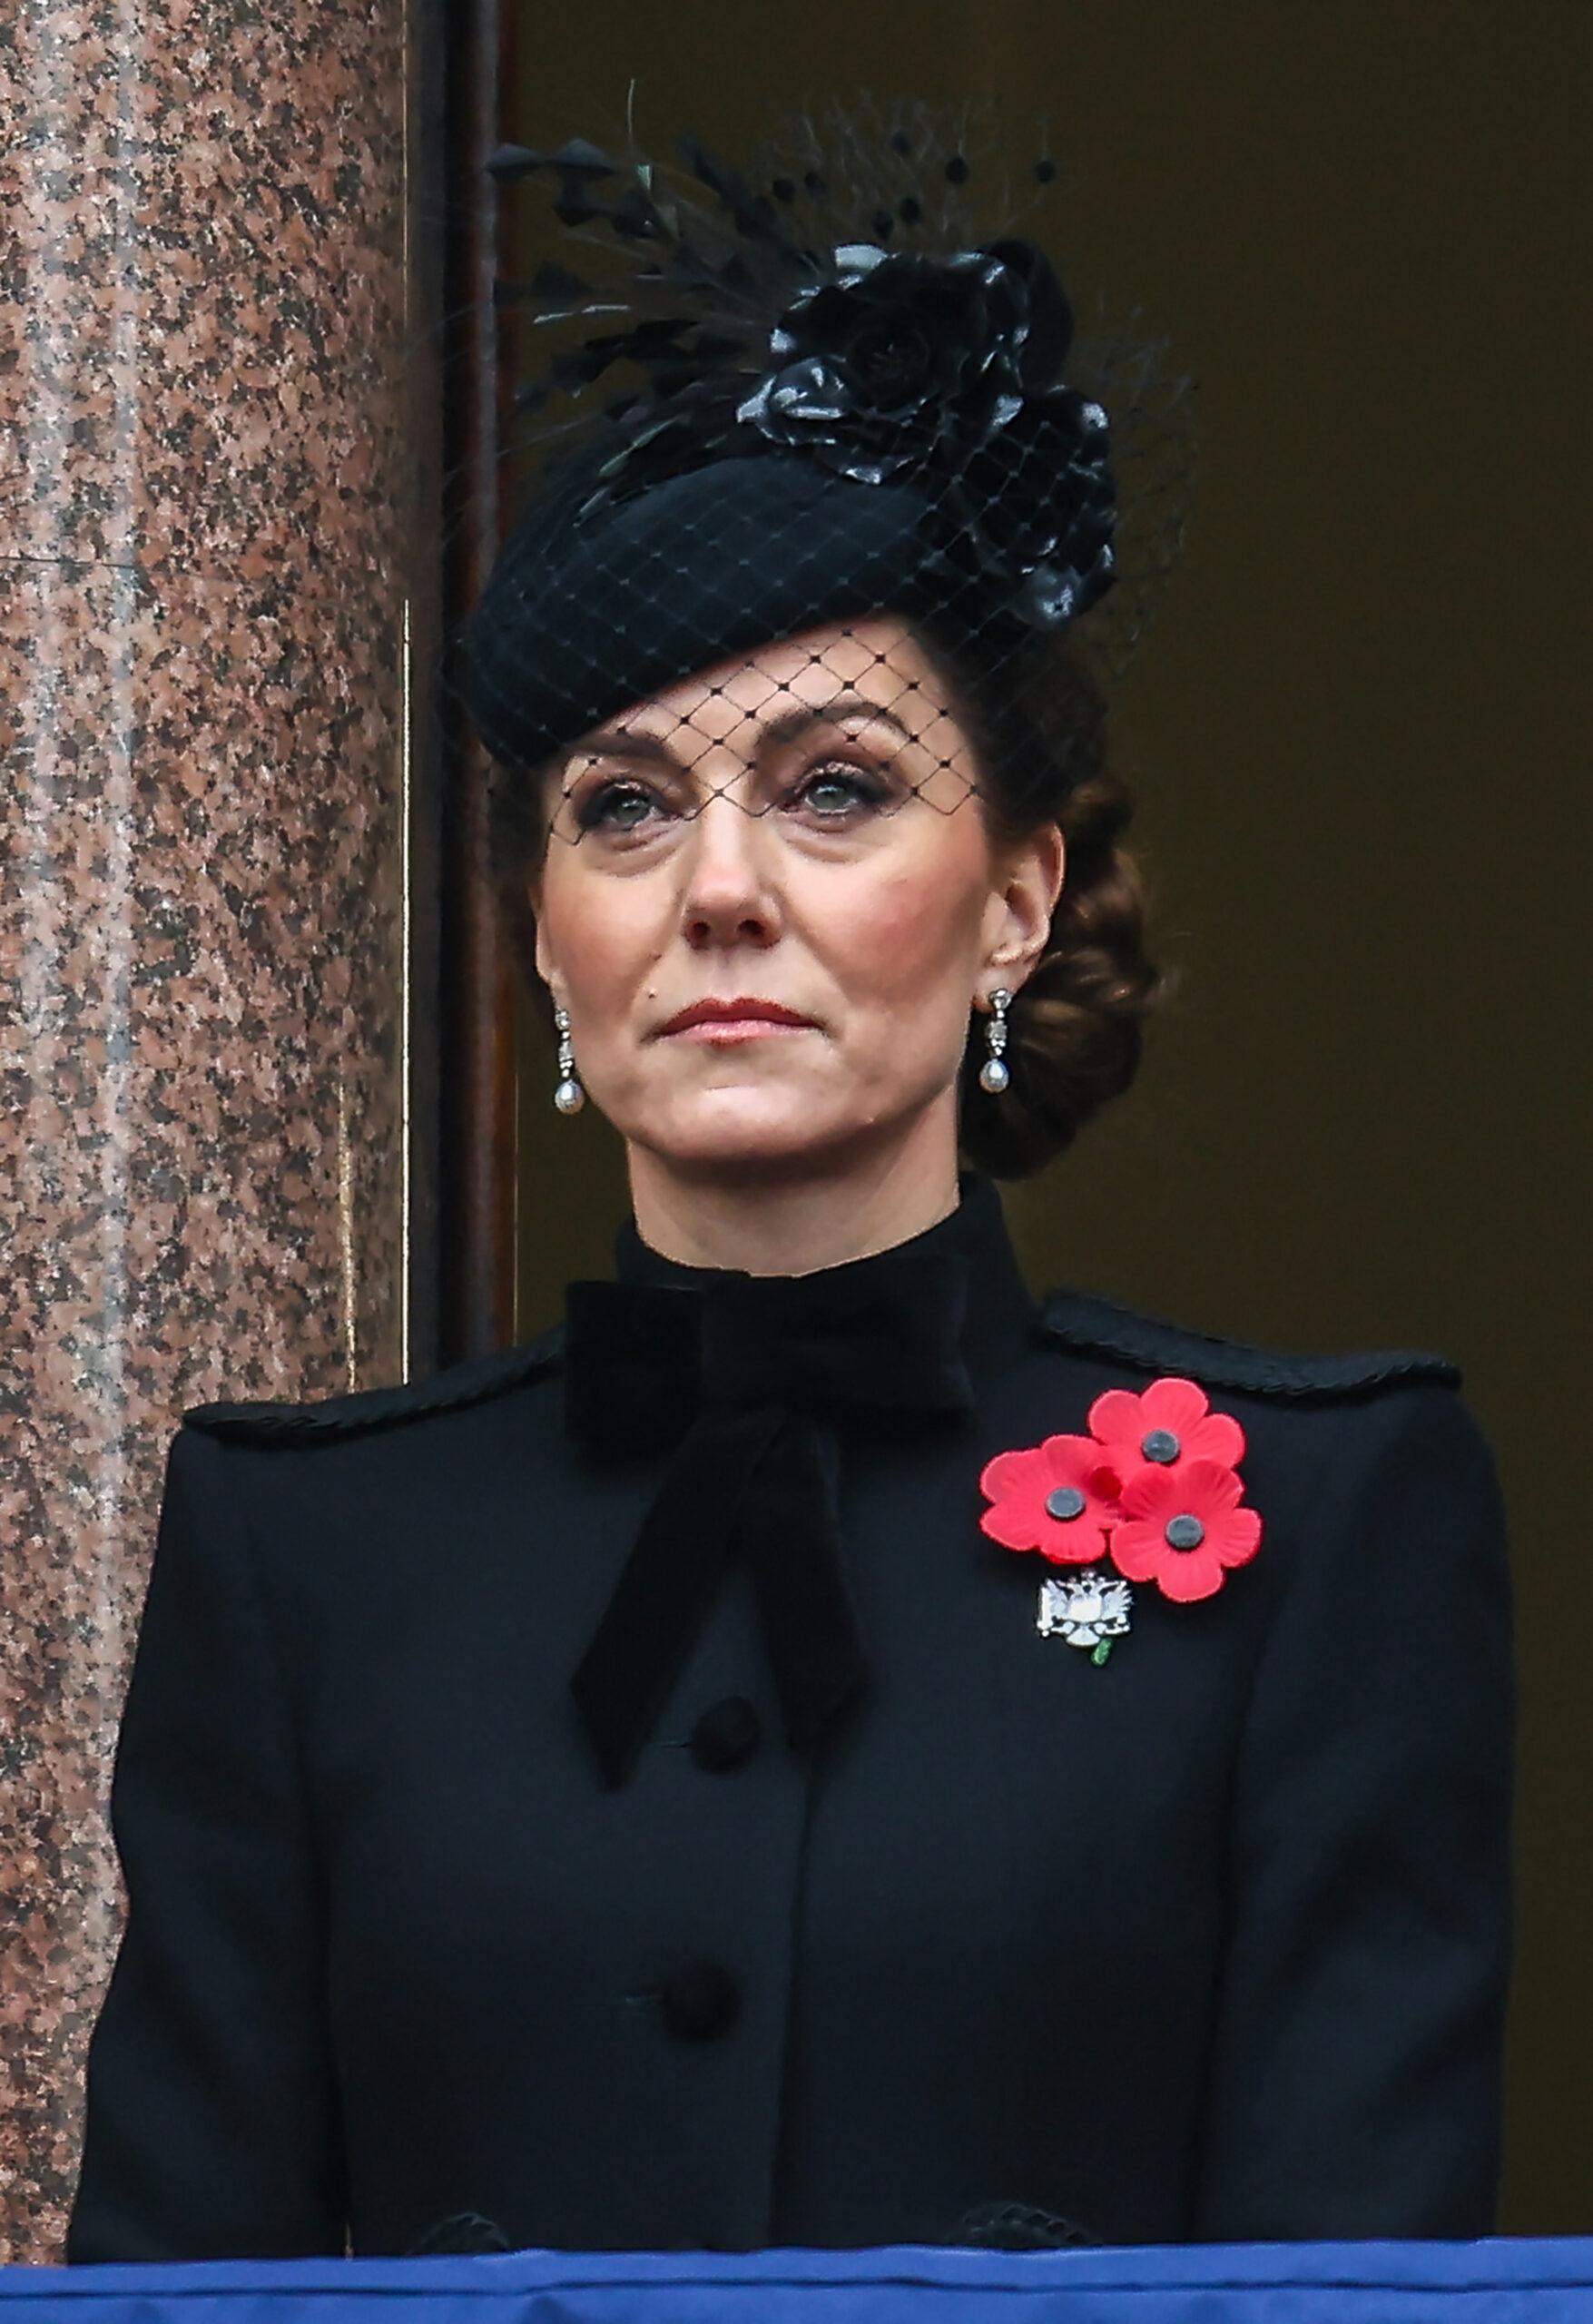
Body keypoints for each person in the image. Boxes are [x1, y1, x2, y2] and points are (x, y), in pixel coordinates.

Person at [67, 107, 1512, 2264]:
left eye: (833, 788)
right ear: (542, 934)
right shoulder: (307, 1556)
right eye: (624, 808)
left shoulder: (1328, 1521)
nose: (720, 889)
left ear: (1016, 895)